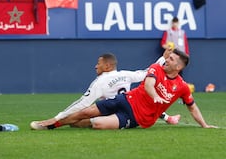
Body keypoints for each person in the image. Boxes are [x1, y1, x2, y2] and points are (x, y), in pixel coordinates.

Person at [32, 49, 217, 130]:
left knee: (96, 123)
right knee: (86, 110)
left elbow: (192, 106)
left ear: (179, 67)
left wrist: (204, 125)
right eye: (168, 58)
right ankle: (52, 125)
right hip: (126, 99)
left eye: (172, 60)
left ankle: (74, 121)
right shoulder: (156, 68)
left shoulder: (182, 87)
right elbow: (148, 84)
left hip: (137, 117)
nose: (168, 60)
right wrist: (155, 96)